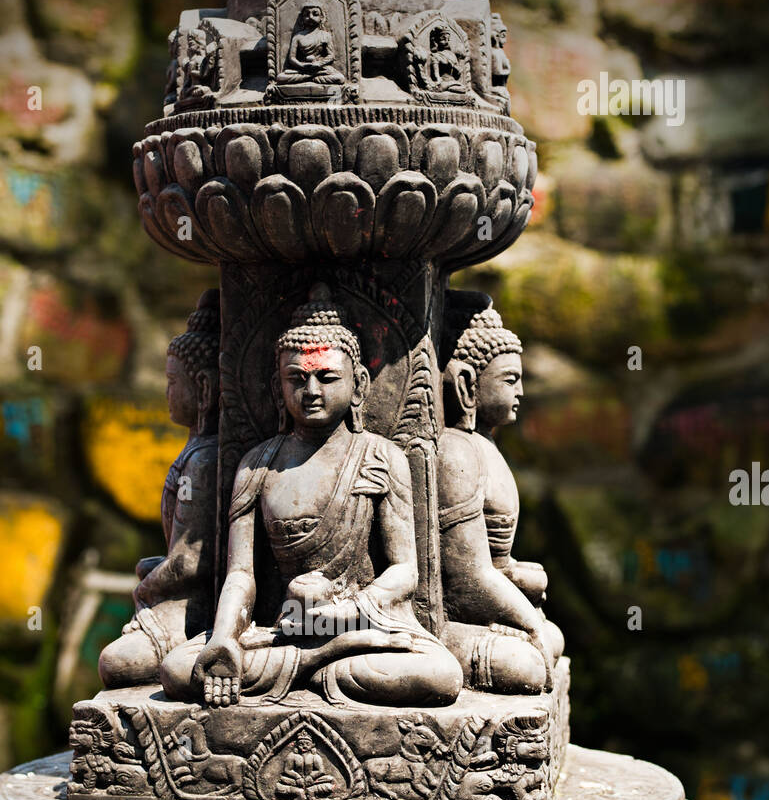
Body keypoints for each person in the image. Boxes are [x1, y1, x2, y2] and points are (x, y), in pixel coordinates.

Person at [160, 285, 463, 708]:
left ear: (359, 384)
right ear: (275, 386)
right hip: (284, 630)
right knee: (178, 668)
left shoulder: (381, 457)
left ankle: (317, 661)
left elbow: (404, 571)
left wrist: (347, 611)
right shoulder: (258, 465)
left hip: (364, 628)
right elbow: (242, 575)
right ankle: (318, 664)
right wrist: (226, 639)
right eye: (296, 379)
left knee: (440, 676)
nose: (312, 391)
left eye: (326, 377)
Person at [438, 303, 564, 693]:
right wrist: (528, 623)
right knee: (525, 665)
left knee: (552, 638)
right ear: (466, 386)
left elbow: (494, 564)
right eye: (510, 380)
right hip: (452, 618)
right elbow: (465, 578)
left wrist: (516, 572)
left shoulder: (485, 445)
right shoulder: (456, 452)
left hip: (490, 602)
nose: (521, 392)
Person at [98, 292, 220, 688]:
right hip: (174, 596)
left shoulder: (204, 461)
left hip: (191, 608)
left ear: (203, 386)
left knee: (116, 664)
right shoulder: (195, 453)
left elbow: (187, 564)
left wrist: (147, 585)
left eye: (173, 382)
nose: (167, 393)